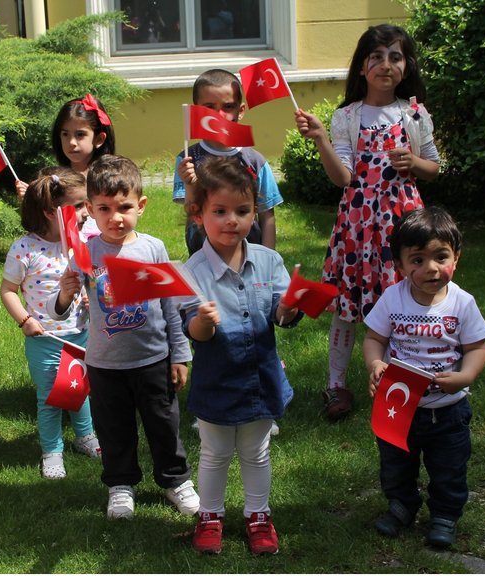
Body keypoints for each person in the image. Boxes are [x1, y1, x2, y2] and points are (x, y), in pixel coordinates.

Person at [294, 24, 441, 420]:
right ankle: (336, 385)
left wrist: (415, 162)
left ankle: (397, 384)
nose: (385, 64)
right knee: (347, 305)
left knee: (402, 301)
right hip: (357, 226)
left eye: (395, 57)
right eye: (376, 56)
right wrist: (322, 139)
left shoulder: (414, 112)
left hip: (402, 224)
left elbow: (433, 167)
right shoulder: (347, 116)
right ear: (362, 66)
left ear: (406, 67)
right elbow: (342, 177)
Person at [49, 154, 200, 520]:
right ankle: (120, 485)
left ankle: (175, 479)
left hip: (153, 359)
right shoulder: (85, 253)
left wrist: (180, 355)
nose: (115, 217)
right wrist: (66, 294)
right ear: (90, 209)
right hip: (105, 364)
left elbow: (171, 305)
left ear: (141, 205)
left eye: (124, 207)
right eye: (104, 208)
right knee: (114, 430)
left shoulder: (153, 248)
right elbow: (60, 312)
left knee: (163, 425)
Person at [177, 155, 301, 555]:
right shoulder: (192, 272)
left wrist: (289, 308)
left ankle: (258, 515)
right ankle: (210, 515)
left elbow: (280, 313)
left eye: (243, 211)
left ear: (254, 213)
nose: (232, 220)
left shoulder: (268, 260)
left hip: (260, 377)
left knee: (256, 451)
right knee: (215, 452)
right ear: (198, 215)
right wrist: (204, 321)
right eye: (220, 211)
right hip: (216, 380)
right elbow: (192, 331)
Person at [362, 206, 485, 549]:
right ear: (400, 265)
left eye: (440, 257)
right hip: (398, 404)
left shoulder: (462, 303)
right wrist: (376, 363)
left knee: (449, 467)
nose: (431, 268)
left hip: (447, 410)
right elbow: (374, 338)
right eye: (417, 260)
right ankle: (401, 505)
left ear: (456, 258)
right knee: (395, 463)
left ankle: (445, 515)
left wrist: (465, 376)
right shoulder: (393, 298)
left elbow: (477, 347)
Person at [0, 167, 101, 480]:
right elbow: (8, 290)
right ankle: (52, 451)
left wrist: (91, 296)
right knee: (50, 398)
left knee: (80, 389)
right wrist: (25, 319)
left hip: (80, 333)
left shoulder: (80, 243)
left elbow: (90, 279)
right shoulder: (25, 249)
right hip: (46, 340)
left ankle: (85, 436)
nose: (86, 212)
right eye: (79, 206)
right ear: (50, 212)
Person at [174, 68, 284, 256]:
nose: (219, 115)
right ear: (196, 111)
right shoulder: (188, 159)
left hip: (249, 254)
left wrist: (268, 258)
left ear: (240, 111)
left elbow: (267, 215)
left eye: (228, 106)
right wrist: (190, 184)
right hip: (203, 254)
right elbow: (192, 211)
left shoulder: (255, 161)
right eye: (209, 107)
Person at [17, 94, 115, 240]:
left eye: (80, 134)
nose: (71, 142)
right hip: (63, 251)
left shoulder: (110, 178)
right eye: (65, 134)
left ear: (99, 139)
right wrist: (33, 200)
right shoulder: (55, 179)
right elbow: (43, 224)